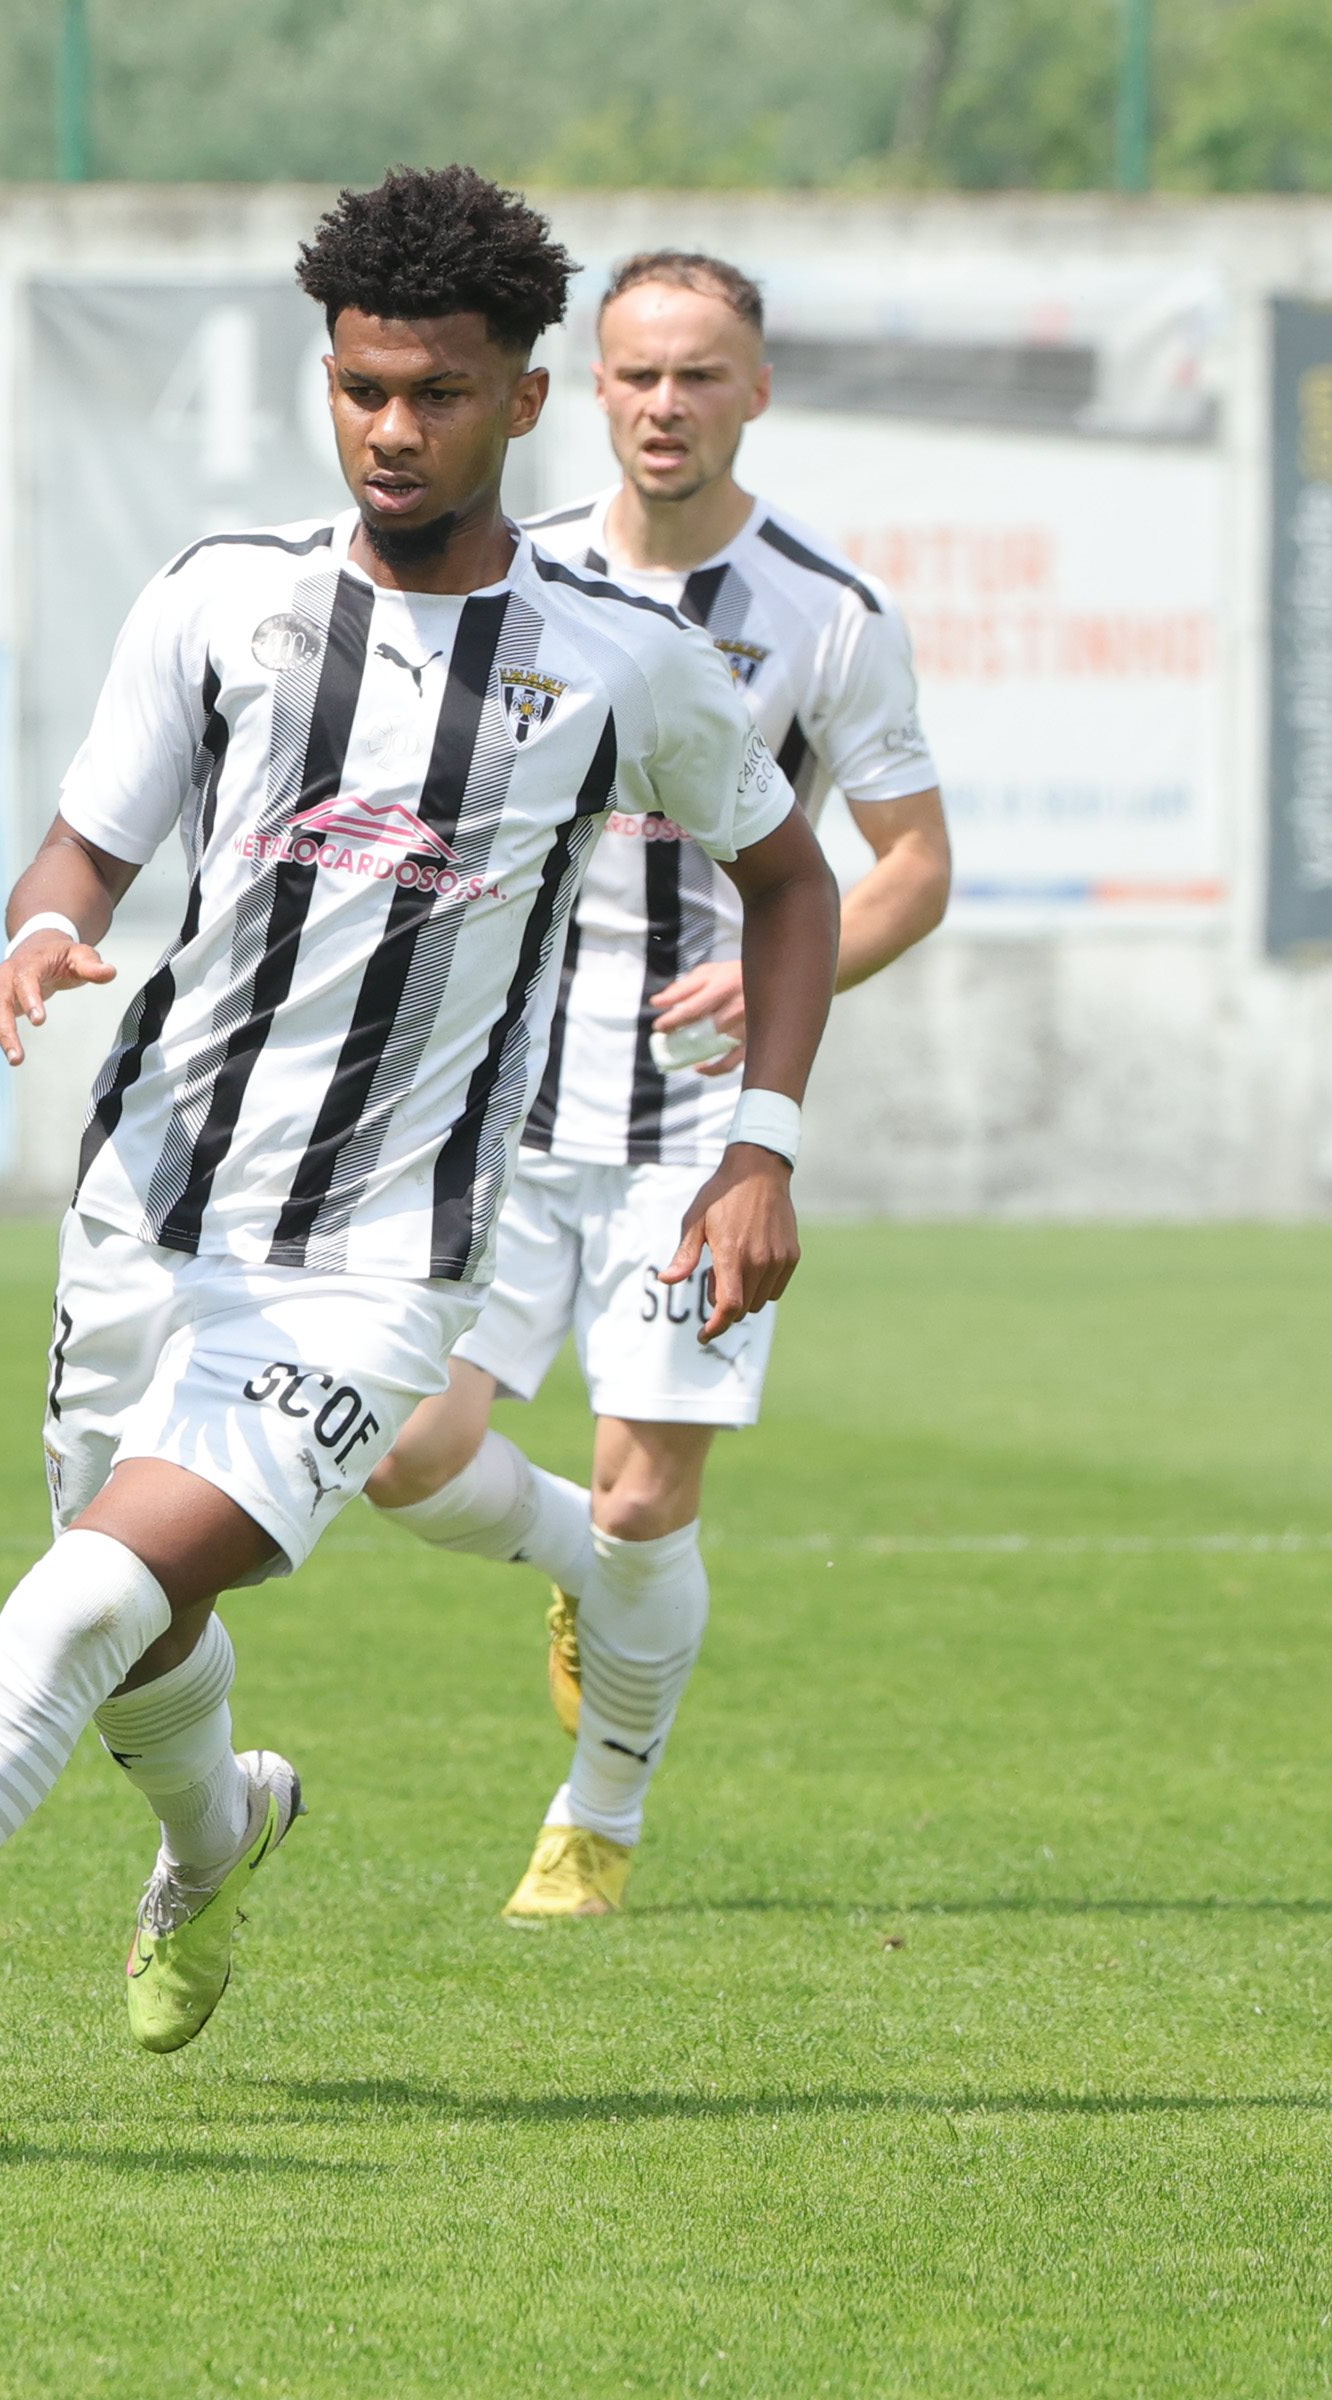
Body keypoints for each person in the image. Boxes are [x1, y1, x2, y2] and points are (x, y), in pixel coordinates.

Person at [0, 166, 838, 2126]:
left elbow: (792, 884)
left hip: (377, 1261)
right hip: (146, 1210)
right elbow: (91, 843)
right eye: (360, 387)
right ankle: (218, 1836)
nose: (389, 430)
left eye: (435, 393)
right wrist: (37, 928)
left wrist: (759, 1146)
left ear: (525, 405)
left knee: (84, 1606)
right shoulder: (224, 600)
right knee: (134, 1625)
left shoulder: (618, 661)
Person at [361, 250, 950, 1923]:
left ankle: (596, 1818)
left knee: (644, 1488)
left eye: (701, 374)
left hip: (696, 1124)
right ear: (584, 391)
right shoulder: (514, 573)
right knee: (401, 1452)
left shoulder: (825, 615)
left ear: (754, 390)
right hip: (498, 1105)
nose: (667, 404)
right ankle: (586, 1581)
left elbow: (908, 865)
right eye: (638, 375)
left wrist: (797, 968)